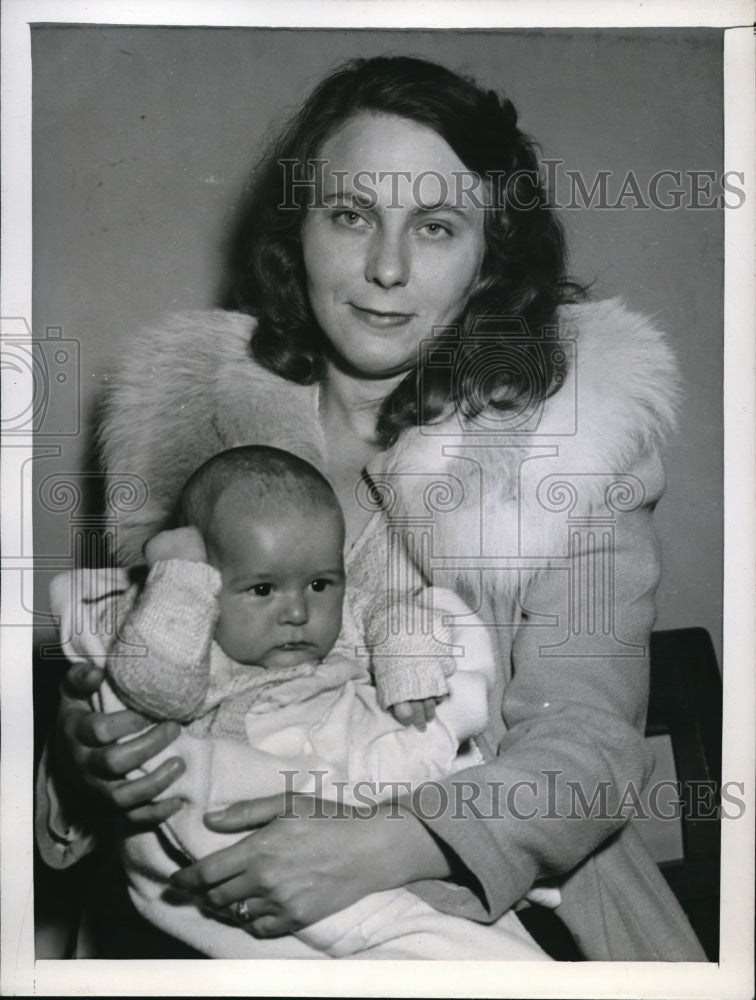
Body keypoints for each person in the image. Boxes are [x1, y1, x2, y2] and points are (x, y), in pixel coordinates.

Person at [37, 54, 706, 961]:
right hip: (196, 925)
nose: (386, 268)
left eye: (436, 226)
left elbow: (589, 747)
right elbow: (125, 662)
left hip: (510, 920)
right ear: (297, 230)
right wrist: (82, 763)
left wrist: (387, 842)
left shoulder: (573, 443)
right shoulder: (181, 428)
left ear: (487, 260)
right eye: (350, 215)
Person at [50, 444, 553, 958]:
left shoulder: (343, 627)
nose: (296, 611)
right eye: (263, 589)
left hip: (377, 830)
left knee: (475, 953)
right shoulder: (183, 629)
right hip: (222, 848)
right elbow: (157, 686)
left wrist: (407, 658)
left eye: (319, 583)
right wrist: (72, 753)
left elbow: (397, 615)